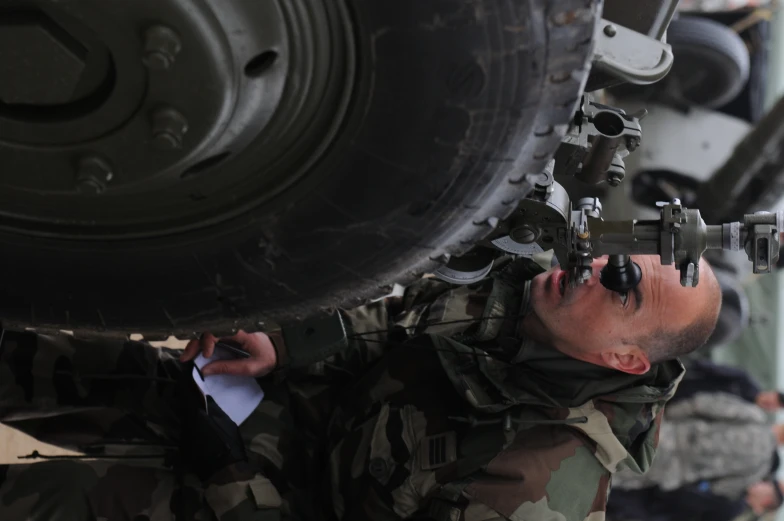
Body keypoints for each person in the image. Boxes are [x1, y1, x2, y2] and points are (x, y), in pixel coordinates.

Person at [0, 255, 722, 521]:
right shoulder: (525, 294)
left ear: (629, 359)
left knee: (57, 502)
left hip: (271, 501)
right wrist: (283, 345)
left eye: (625, 288)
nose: (597, 267)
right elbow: (403, 313)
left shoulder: (535, 489)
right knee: (71, 364)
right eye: (616, 257)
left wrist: (228, 474)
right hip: (280, 414)